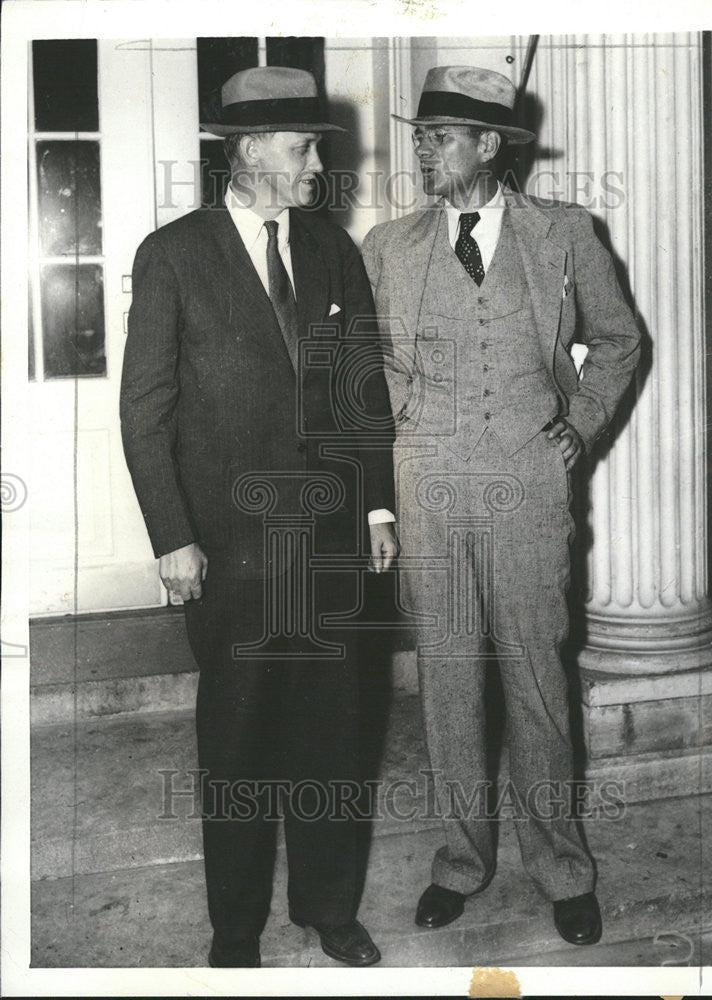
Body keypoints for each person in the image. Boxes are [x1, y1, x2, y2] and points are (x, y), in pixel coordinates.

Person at [120, 66, 398, 968]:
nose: (318, 161)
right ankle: (234, 928)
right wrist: (173, 537)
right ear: (248, 152)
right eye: (302, 145)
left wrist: (379, 507)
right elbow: (145, 408)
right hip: (229, 550)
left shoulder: (331, 252)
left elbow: (361, 399)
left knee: (334, 731)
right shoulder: (174, 254)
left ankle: (329, 907)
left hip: (327, 546)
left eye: (315, 143)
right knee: (236, 741)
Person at [362, 65, 641, 947]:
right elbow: (355, 368)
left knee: (533, 677)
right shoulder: (386, 246)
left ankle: (562, 869)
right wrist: (394, 446)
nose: (422, 149)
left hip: (528, 483)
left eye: (438, 136)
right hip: (426, 483)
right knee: (447, 680)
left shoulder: (563, 233)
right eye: (419, 135)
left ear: (490, 146)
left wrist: (579, 424)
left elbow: (620, 340)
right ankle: (460, 863)